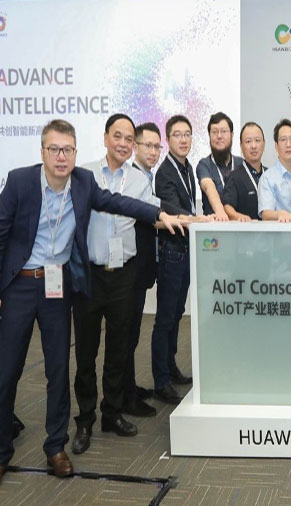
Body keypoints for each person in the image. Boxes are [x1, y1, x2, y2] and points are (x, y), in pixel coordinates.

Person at [0, 119, 184, 482]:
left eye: (67, 150)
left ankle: (56, 447)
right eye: (54, 149)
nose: (61, 157)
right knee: (7, 372)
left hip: (56, 288)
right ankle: (2, 449)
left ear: (75, 152)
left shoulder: (83, 183)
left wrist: (159, 214)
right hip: (20, 285)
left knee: (58, 370)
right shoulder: (20, 181)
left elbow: (119, 202)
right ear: (42, 151)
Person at [72, 114, 168, 454]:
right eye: (118, 136)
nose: (124, 144)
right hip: (90, 274)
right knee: (86, 352)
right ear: (105, 138)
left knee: (118, 349)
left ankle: (111, 413)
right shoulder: (84, 174)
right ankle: (85, 419)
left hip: (124, 275)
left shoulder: (139, 179)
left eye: (129, 138)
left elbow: (155, 213)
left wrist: (190, 218)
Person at [151, 115, 200, 405]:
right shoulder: (165, 172)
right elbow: (173, 210)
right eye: (177, 134)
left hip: (185, 249)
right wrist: (201, 220)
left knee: (177, 313)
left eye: (187, 134)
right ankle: (160, 381)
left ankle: (170, 368)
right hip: (171, 251)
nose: (183, 139)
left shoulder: (187, 167)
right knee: (165, 317)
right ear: (168, 139)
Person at [123, 122, 164, 418]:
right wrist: (189, 219)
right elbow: (154, 217)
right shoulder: (131, 179)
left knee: (132, 333)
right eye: (147, 145)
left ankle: (129, 387)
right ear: (135, 146)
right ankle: (125, 398)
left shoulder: (146, 177)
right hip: (130, 270)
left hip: (141, 269)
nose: (153, 151)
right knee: (126, 335)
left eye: (156, 146)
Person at [195, 112, 243, 220]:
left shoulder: (241, 164)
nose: (219, 136)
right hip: (214, 225)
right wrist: (220, 211)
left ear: (232, 135)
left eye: (224, 131)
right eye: (214, 132)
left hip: (240, 225)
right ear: (209, 136)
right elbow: (208, 186)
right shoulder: (204, 164)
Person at [258, 118, 291, 222]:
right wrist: (280, 214)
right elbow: (265, 214)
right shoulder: (267, 178)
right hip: (280, 231)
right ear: (276, 146)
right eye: (283, 140)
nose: (288, 144)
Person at [223, 121, 266, 221]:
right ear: (241, 146)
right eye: (248, 141)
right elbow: (227, 207)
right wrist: (238, 216)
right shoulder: (234, 177)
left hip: (271, 230)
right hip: (246, 229)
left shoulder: (270, 174)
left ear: (264, 144)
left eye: (257, 140)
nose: (253, 146)